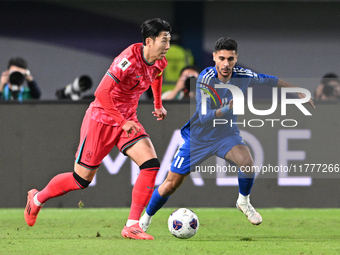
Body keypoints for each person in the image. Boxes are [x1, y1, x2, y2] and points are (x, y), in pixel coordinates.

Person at [139, 37, 315, 232]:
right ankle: (144, 220)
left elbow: (269, 80)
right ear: (214, 57)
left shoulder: (243, 75)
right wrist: (227, 108)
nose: (226, 64)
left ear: (236, 58)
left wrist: (297, 91)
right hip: (199, 137)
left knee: (247, 163)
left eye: (230, 59)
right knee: (169, 185)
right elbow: (204, 116)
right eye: (221, 58)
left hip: (225, 135)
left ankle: (243, 202)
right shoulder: (205, 79)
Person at [24, 18, 171, 240]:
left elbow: (156, 76)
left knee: (151, 165)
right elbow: (101, 93)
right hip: (101, 119)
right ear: (149, 41)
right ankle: (36, 199)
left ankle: (132, 225)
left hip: (127, 119)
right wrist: (121, 122)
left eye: (169, 40)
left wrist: (157, 104)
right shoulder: (126, 61)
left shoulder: (160, 61)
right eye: (164, 41)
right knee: (80, 180)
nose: (167, 46)